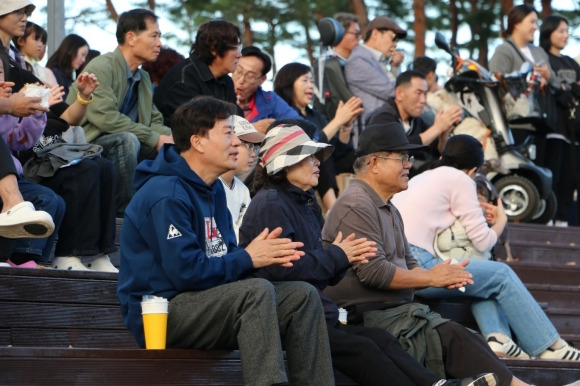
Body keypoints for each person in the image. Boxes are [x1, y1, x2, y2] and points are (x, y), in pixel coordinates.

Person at [239, 123, 499, 386]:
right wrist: (339, 256)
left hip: (317, 312)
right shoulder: (270, 203)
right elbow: (284, 271)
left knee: (380, 340)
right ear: (285, 165)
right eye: (308, 157)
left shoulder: (305, 205)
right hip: (290, 317)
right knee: (364, 350)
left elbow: (317, 270)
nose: (318, 162)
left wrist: (342, 259)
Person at [117, 96, 335, 386]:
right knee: (254, 292)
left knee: (302, 296)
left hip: (207, 303)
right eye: (228, 133)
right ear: (198, 141)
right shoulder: (165, 193)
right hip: (162, 312)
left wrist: (265, 257)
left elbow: (224, 257)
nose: (238, 143)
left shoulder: (215, 191)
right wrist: (249, 257)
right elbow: (186, 273)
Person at [321, 123, 533, 386]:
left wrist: (442, 275)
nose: (409, 164)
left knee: (462, 336)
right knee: (452, 336)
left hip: (395, 311)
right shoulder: (356, 204)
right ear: (375, 163)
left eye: (408, 158)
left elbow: (409, 262)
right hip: (365, 317)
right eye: (402, 158)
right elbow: (374, 273)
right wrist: (432, 278)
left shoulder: (387, 205)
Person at [390, 133, 580, 362]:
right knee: (501, 274)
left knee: (484, 279)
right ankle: (550, 346)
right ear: (473, 170)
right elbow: (483, 241)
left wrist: (476, 208)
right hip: (418, 264)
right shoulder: (461, 179)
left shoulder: (425, 177)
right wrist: (501, 220)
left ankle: (498, 337)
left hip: (399, 260)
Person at [66, 8, 173, 217]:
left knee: (177, 147)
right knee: (127, 140)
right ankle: (124, 217)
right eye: (154, 35)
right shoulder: (101, 66)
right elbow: (106, 118)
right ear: (131, 37)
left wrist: (177, 138)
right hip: (83, 146)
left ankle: (164, 211)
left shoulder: (143, 78)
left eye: (159, 36)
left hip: (121, 143)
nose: (159, 43)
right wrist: (155, 137)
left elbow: (153, 121)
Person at [274, 62, 362, 209]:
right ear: (288, 83)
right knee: (316, 152)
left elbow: (338, 152)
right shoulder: (284, 113)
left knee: (358, 154)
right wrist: (337, 121)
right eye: (305, 80)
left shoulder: (316, 115)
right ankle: (333, 208)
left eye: (312, 81)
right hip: (296, 165)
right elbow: (304, 147)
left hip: (324, 169)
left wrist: (345, 128)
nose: (310, 86)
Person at [488, 4, 560, 173]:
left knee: (542, 170)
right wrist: (527, 79)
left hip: (541, 122)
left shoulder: (539, 52)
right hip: (517, 123)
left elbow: (556, 85)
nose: (536, 27)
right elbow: (495, 81)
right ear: (517, 23)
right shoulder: (504, 50)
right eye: (532, 22)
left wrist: (548, 76)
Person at [367, 70, 462, 175]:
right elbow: (396, 148)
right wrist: (437, 128)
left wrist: (443, 134)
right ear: (399, 93)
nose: (423, 100)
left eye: (425, 94)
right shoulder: (382, 117)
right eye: (418, 93)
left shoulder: (415, 120)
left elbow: (437, 150)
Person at [153, 20, 241, 125]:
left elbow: (237, 117)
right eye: (234, 48)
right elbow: (200, 126)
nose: (239, 54)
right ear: (214, 49)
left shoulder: (225, 80)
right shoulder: (183, 79)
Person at [539, 14, 580, 226]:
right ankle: (548, 218)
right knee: (551, 176)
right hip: (552, 128)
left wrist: (568, 89)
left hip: (573, 130)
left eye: (567, 30)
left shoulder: (570, 62)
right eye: (561, 31)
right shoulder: (542, 58)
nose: (566, 35)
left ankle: (563, 220)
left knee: (569, 177)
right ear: (549, 32)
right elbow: (552, 91)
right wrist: (566, 91)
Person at [344, 16, 407, 128]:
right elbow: (392, 92)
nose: (395, 44)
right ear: (375, 34)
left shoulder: (376, 60)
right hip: (372, 133)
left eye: (397, 40)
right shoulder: (358, 60)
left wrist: (395, 67)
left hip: (384, 128)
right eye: (393, 37)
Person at [234, 45, 302, 133]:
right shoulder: (217, 91)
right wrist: (249, 129)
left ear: (262, 80)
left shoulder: (270, 100)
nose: (241, 80)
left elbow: (302, 126)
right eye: (238, 71)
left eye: (250, 76)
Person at [218, 115, 263, 242]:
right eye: (248, 146)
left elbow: (249, 229)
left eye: (255, 147)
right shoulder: (211, 185)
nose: (253, 154)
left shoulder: (242, 189)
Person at [313, 12, 360, 123]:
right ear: (341, 34)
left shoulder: (348, 63)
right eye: (356, 34)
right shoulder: (329, 64)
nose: (359, 39)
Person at [12, 21, 57, 87]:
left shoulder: (38, 67)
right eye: (36, 39)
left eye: (42, 41)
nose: (40, 45)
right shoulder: (17, 64)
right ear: (21, 41)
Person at [45, 34, 89, 99]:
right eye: (82, 54)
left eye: (85, 57)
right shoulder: (55, 73)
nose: (83, 60)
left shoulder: (66, 76)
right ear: (70, 50)